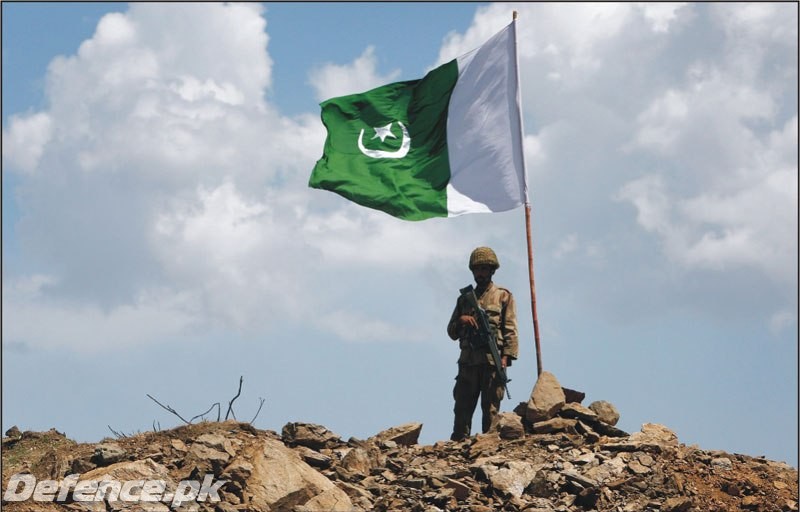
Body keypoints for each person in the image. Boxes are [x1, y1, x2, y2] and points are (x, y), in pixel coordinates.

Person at [447, 246, 519, 441]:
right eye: (477, 269)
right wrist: (461, 320)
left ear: (491, 270)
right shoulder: (464, 299)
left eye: (484, 269)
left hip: (491, 362)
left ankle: (488, 446)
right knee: (462, 407)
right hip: (468, 362)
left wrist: (505, 357)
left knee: (491, 409)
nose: (480, 273)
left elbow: (510, 329)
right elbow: (451, 332)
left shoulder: (503, 296)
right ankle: (458, 446)